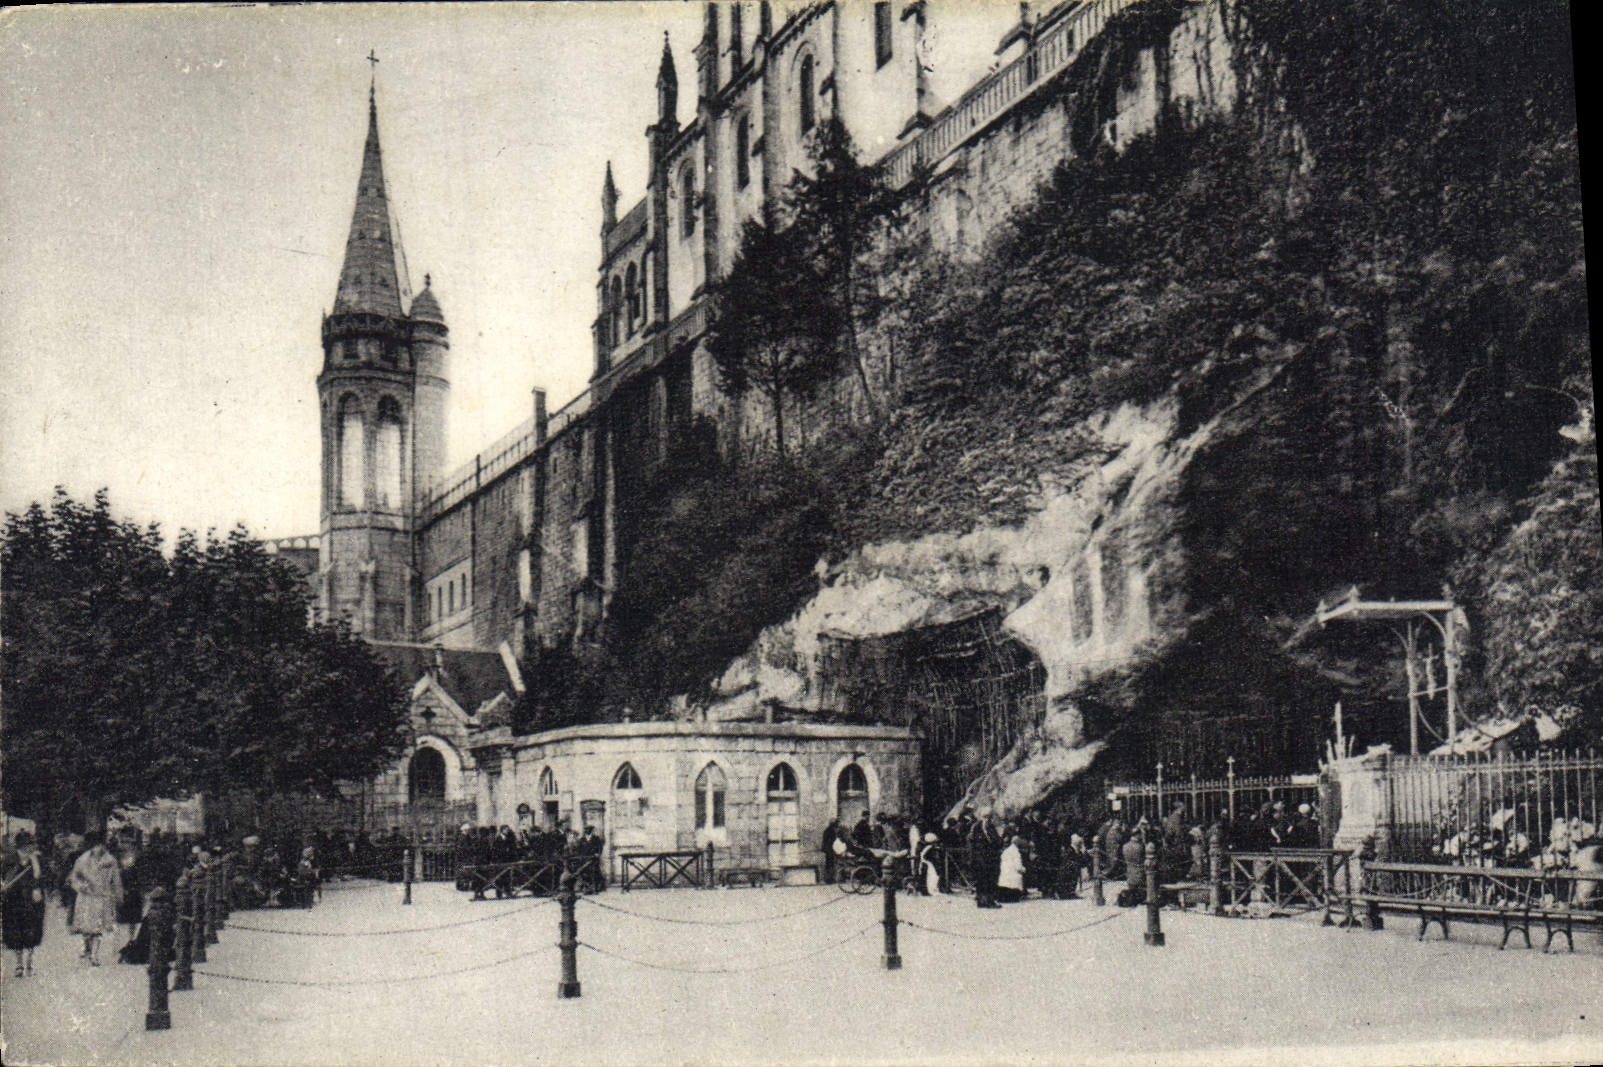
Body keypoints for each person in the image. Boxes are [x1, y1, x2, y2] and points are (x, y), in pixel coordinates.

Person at [69, 832, 123, 965]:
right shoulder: (82, 860)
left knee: (98, 928)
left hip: (102, 897)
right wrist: (80, 886)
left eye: (101, 845)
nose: (99, 848)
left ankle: (94, 955)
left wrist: (118, 896)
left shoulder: (110, 861)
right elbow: (74, 878)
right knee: (86, 928)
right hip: (86, 897)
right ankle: (87, 947)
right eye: (96, 845)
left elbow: (116, 880)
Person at [3, 832, 47, 977]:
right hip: (14, 900)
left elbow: (42, 877)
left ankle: (29, 961)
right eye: (29, 845)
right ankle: (19, 963)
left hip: (32, 901)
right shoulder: (9, 860)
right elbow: (4, 878)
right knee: (16, 931)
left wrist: (37, 885)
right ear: (21, 846)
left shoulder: (37, 859)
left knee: (32, 930)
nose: (31, 847)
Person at [997, 835, 1027, 904]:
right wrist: (1024, 869)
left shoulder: (1006, 851)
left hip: (1003, 880)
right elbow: (1018, 867)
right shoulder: (1016, 853)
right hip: (1013, 883)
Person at [820, 818, 842, 885]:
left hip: (828, 850)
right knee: (830, 864)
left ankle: (829, 878)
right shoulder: (831, 831)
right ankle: (829, 879)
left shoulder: (828, 830)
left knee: (829, 864)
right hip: (829, 850)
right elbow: (831, 841)